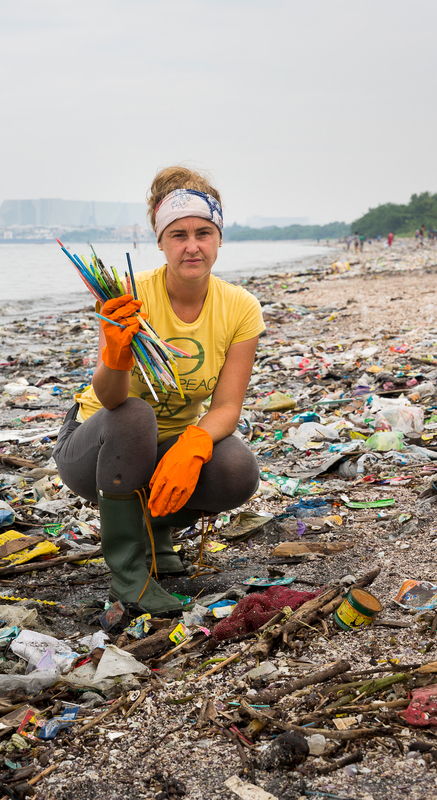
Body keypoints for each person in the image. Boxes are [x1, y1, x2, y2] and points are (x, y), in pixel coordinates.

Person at [53, 167, 264, 616]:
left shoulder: (241, 307)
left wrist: (195, 444)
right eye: (178, 234)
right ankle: (129, 573)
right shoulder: (130, 295)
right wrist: (115, 351)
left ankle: (153, 533)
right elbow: (110, 399)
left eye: (204, 233)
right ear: (160, 240)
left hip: (165, 447)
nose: (192, 246)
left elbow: (227, 407)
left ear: (220, 238)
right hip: (96, 446)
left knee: (237, 468)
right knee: (133, 413)